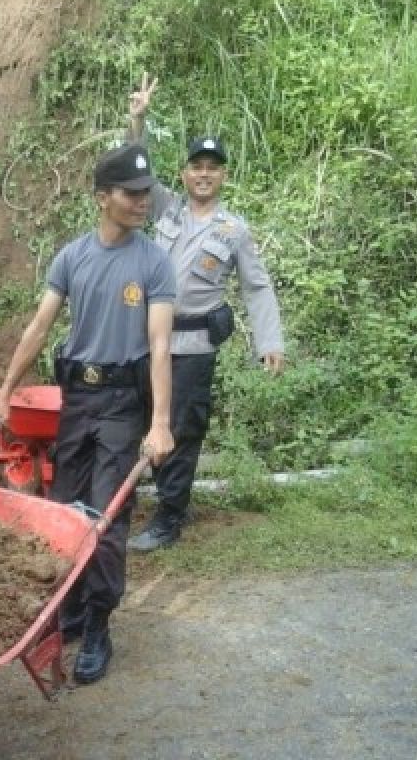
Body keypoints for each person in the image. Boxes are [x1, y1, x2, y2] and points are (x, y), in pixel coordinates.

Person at [0, 145, 176, 684]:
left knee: (105, 515)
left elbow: (160, 344)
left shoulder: (154, 261)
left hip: (123, 403)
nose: (143, 202)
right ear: (102, 198)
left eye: (146, 193)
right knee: (65, 508)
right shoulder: (71, 257)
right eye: (131, 193)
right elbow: (40, 327)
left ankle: (98, 621)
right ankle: (69, 607)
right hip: (77, 400)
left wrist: (160, 421)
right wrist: (5, 391)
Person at [124, 73, 286, 552]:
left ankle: (168, 520)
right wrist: (138, 118)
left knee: (183, 428)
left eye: (213, 168)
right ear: (184, 174)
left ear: (224, 176)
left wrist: (270, 341)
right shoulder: (164, 208)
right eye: (197, 165)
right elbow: (138, 171)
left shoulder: (234, 229)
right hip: (147, 340)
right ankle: (146, 501)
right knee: (142, 421)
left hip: (194, 347)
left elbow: (256, 285)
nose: (204, 174)